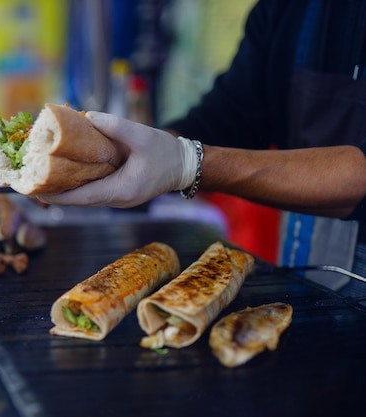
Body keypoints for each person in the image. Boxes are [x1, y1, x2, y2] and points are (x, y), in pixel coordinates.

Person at [37, 0, 366, 297]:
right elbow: (232, 116)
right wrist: (115, 152)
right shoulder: (290, 8)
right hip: (310, 258)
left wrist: (187, 163)